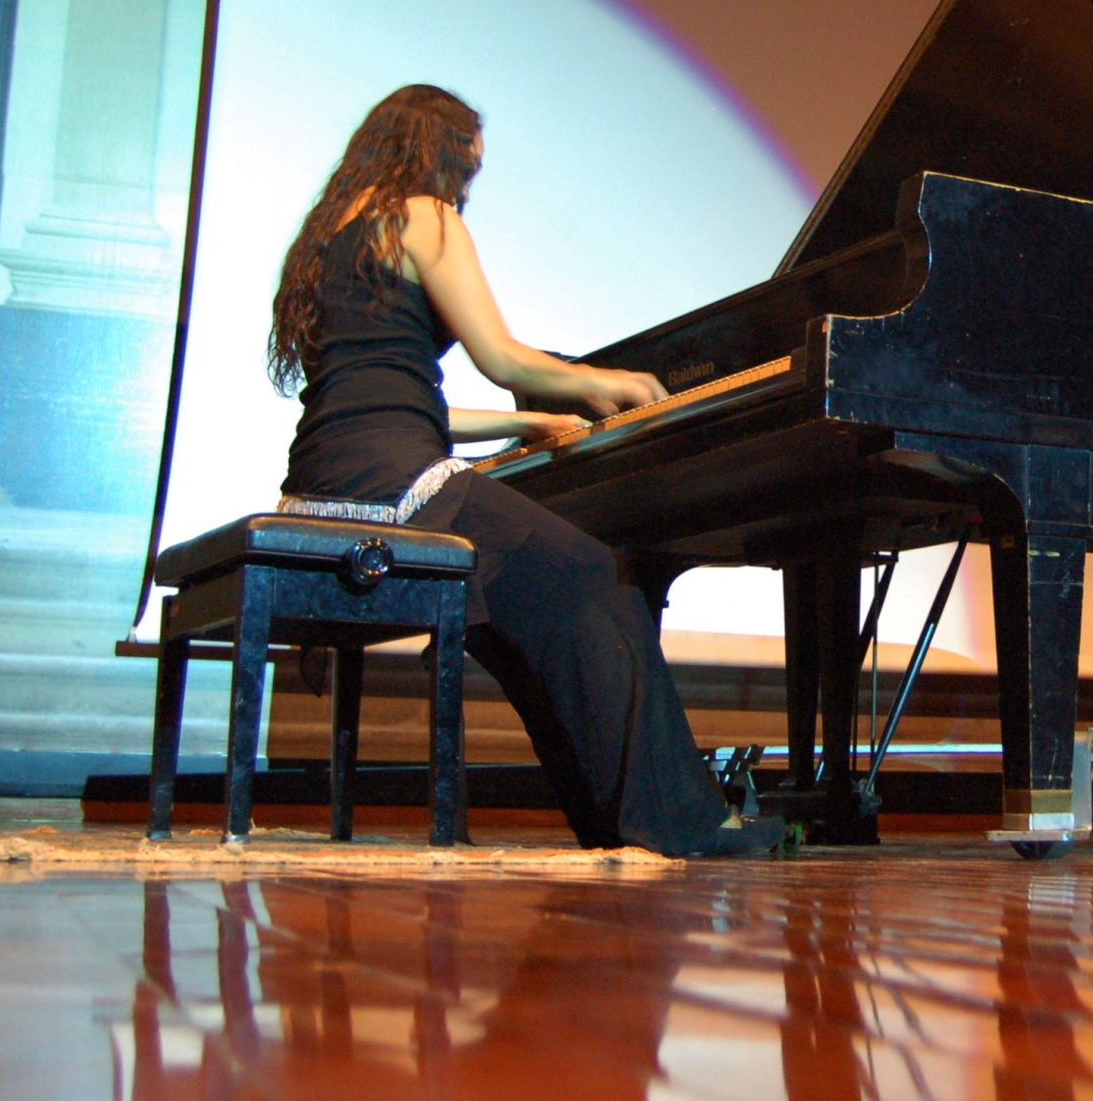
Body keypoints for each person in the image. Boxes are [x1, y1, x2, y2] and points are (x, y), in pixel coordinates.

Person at [267, 83, 780, 856]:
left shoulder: (334, 233)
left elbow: (399, 397)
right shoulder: (421, 215)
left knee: (519, 622)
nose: (465, 188)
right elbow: (499, 356)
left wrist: (526, 422)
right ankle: (684, 822)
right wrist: (601, 383)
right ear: (433, 150)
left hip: (322, 487)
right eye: (464, 168)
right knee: (600, 579)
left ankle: (609, 825)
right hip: (396, 489)